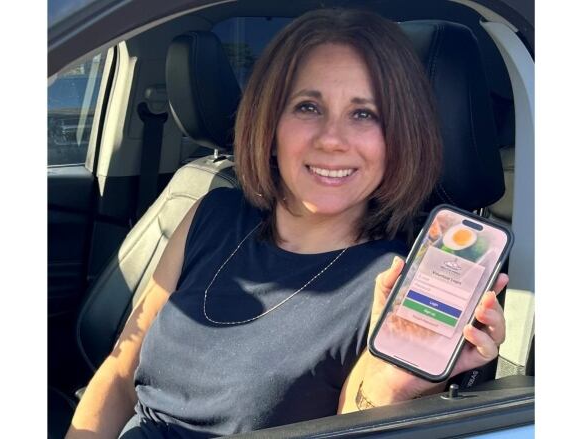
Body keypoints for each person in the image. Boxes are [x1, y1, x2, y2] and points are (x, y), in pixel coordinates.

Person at [66, 8, 508, 439]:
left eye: (364, 114)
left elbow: (356, 421)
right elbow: (122, 371)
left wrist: (396, 384)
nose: (332, 139)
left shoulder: (394, 285)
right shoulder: (210, 214)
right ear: (270, 124)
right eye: (308, 107)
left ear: (399, 138)